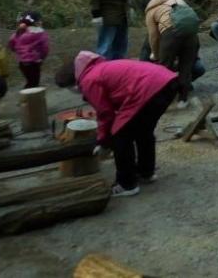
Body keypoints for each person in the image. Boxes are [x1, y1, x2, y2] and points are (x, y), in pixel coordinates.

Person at [63, 51, 178, 197]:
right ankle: (146, 172)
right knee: (143, 131)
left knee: (120, 136)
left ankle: (127, 184)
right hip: (166, 81)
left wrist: (103, 141)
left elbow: (105, 113)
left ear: (72, 82)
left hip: (148, 88)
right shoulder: (99, 68)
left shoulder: (88, 80)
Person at [143, 0, 200, 108]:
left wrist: (156, 54)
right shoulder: (178, 0)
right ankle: (182, 100)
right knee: (186, 67)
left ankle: (163, 99)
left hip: (171, 33)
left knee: (164, 68)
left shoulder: (152, 10)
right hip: (192, 34)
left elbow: (153, 36)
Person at [8, 11, 50, 89]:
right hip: (34, 62)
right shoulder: (40, 33)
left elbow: (11, 44)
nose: (41, 22)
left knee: (30, 80)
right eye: (40, 20)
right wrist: (42, 57)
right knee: (34, 83)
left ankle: (28, 93)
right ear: (37, 22)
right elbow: (45, 48)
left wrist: (18, 52)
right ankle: (31, 97)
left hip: (22, 63)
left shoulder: (18, 32)